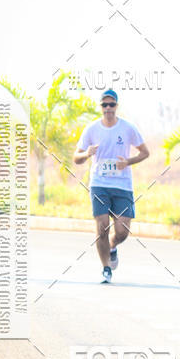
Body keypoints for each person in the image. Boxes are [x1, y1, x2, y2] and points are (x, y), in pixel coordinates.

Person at [74, 89, 149, 282]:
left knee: (122, 231)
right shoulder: (92, 129)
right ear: (100, 107)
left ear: (116, 106)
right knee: (102, 227)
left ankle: (113, 246)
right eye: (104, 105)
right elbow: (77, 158)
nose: (108, 108)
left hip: (123, 185)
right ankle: (106, 267)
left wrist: (128, 162)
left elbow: (145, 152)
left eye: (111, 105)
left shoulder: (127, 128)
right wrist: (87, 153)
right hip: (99, 184)